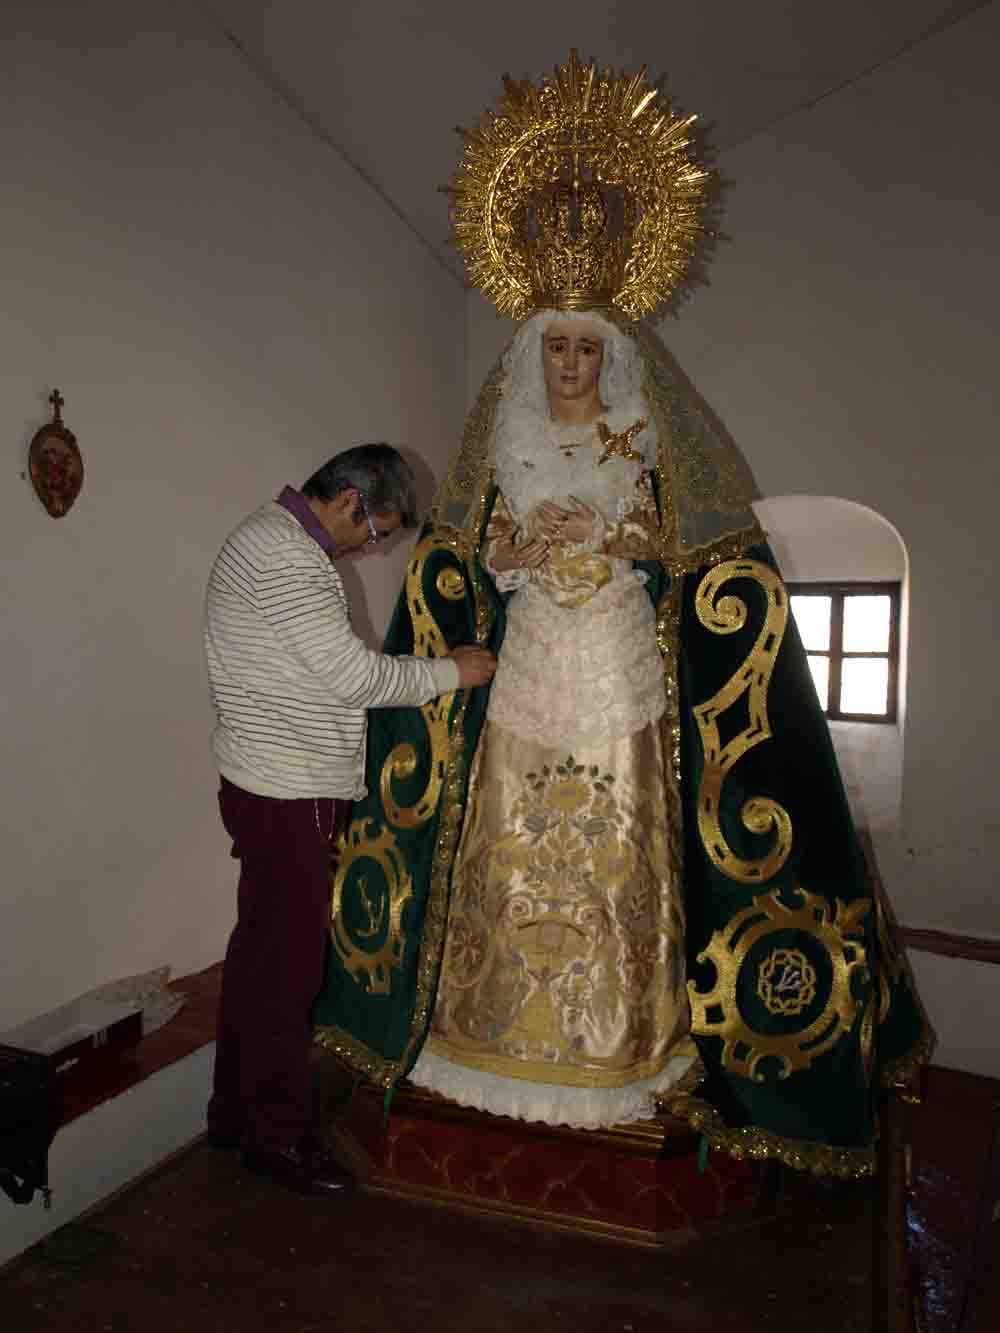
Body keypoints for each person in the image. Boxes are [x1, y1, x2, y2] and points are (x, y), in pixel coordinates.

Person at [313, 55, 929, 1176]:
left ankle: (627, 1049)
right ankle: (487, 1035)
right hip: (532, 656)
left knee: (617, 838)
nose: (568, 361)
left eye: (586, 346)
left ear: (614, 353)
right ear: (528, 347)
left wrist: (626, 542)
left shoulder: (644, 438)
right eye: (553, 343)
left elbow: (681, 554)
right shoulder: (501, 440)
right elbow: (476, 560)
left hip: (614, 662)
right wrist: (517, 549)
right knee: (508, 835)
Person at [203, 444, 495, 1196]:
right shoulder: (290, 560)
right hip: (286, 792)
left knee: (260, 956)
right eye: (376, 531)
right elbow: (354, 676)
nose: (370, 546)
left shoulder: (269, 541)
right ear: (349, 501)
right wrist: (451, 672)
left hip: (267, 783)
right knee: (290, 971)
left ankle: (234, 1113)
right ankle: (277, 1138)